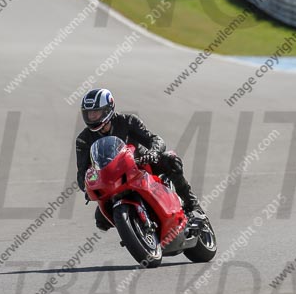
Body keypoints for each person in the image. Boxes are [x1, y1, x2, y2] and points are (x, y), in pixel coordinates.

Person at [76, 89, 205, 231]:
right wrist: (88, 187)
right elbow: (82, 172)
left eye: (96, 112)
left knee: (171, 161)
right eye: (89, 114)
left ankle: (193, 208)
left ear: (108, 109)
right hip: (112, 179)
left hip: (141, 164)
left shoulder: (128, 121)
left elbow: (154, 139)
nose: (92, 117)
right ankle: (135, 228)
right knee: (101, 221)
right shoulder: (83, 140)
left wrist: (154, 153)